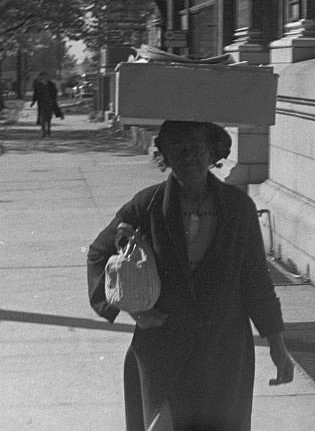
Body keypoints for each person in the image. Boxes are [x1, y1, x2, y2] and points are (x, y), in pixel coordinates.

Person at [87, 120, 294, 430]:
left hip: (223, 355)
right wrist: (133, 309)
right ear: (165, 156)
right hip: (163, 353)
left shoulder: (239, 208)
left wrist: (278, 345)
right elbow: (98, 253)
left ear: (212, 153)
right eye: (178, 149)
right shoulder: (147, 205)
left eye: (197, 148)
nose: (189, 157)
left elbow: (256, 282)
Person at [30, 72, 62, 137]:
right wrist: (33, 102)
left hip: (50, 101)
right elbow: (35, 94)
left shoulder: (51, 84)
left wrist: (54, 98)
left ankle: (49, 128)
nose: (45, 77)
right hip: (41, 102)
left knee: (49, 116)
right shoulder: (38, 85)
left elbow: (55, 92)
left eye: (46, 76)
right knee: (42, 116)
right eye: (43, 76)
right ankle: (44, 130)